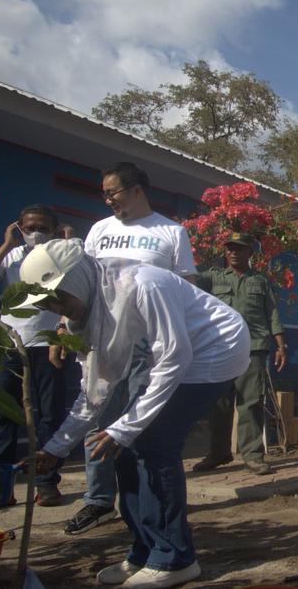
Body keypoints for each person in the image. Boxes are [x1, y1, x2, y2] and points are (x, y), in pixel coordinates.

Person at [21, 239, 248, 588]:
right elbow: (95, 390)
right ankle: (144, 549)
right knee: (124, 447)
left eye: (58, 297)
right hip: (174, 356)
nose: (57, 308)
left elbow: (174, 358)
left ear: (76, 279)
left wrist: (124, 429)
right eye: (46, 303)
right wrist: (56, 448)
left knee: (153, 445)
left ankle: (175, 558)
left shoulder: (143, 283)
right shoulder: (90, 313)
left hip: (216, 348)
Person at [64, 162, 198, 536]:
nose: (108, 201)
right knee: (98, 416)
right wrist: (65, 327)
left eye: (113, 193)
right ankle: (97, 499)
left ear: (137, 189)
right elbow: (82, 283)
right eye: (104, 194)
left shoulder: (172, 233)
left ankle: (140, 502)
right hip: (101, 339)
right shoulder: (100, 231)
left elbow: (187, 289)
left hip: (148, 344)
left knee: (138, 423)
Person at [0, 205, 73, 506]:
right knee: (2, 416)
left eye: (43, 227)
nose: (35, 232)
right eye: (29, 227)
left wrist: (68, 246)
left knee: (49, 416)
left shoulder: (65, 257)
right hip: (10, 345)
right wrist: (6, 244)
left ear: (55, 229)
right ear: (18, 228)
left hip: (48, 344)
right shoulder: (12, 256)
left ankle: (46, 483)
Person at [192, 232, 288, 475]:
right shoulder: (212, 278)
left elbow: (273, 313)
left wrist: (281, 345)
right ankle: (218, 452)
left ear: (249, 253)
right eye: (230, 248)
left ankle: (253, 455)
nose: (233, 252)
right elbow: (187, 279)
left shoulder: (261, 281)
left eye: (239, 248)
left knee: (251, 403)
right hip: (221, 349)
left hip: (253, 348)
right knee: (218, 404)